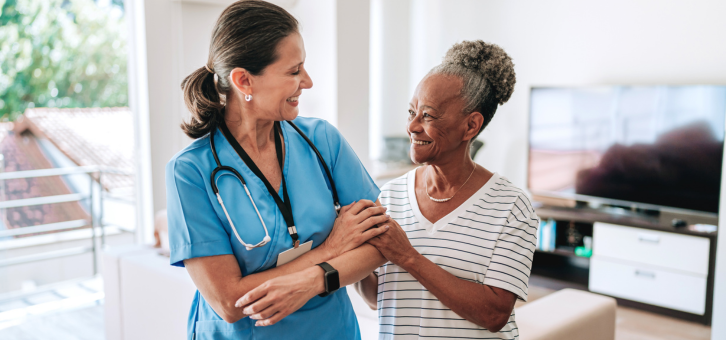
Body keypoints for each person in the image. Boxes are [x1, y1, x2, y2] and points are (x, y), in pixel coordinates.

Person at [165, 1, 389, 339]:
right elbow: (229, 300)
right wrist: (331, 250)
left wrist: (315, 278)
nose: (308, 81)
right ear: (244, 81)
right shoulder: (190, 171)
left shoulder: (322, 141)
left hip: (332, 331)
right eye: (294, 71)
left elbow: (381, 241)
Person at [357, 40, 539, 339]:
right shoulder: (389, 196)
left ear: (470, 126)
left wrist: (409, 257)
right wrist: (356, 245)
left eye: (428, 115)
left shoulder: (511, 207)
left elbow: (493, 314)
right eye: (411, 112)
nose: (412, 126)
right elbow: (376, 299)